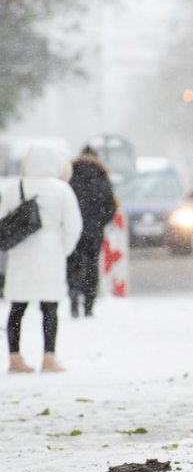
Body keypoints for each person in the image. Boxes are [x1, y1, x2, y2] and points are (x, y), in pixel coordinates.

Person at [5, 144, 82, 373]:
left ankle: (14, 357)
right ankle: (49, 357)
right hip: (51, 252)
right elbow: (73, 225)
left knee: (17, 307)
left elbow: (3, 220)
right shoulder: (62, 189)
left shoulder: (14, 187)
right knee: (49, 308)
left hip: (20, 252)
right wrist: (64, 249)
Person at [66, 146, 116, 318]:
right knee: (91, 266)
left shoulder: (70, 175)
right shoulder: (102, 176)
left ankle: (73, 296)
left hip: (73, 229)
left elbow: (65, 204)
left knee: (73, 263)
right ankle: (89, 304)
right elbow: (111, 206)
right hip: (94, 230)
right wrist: (100, 222)